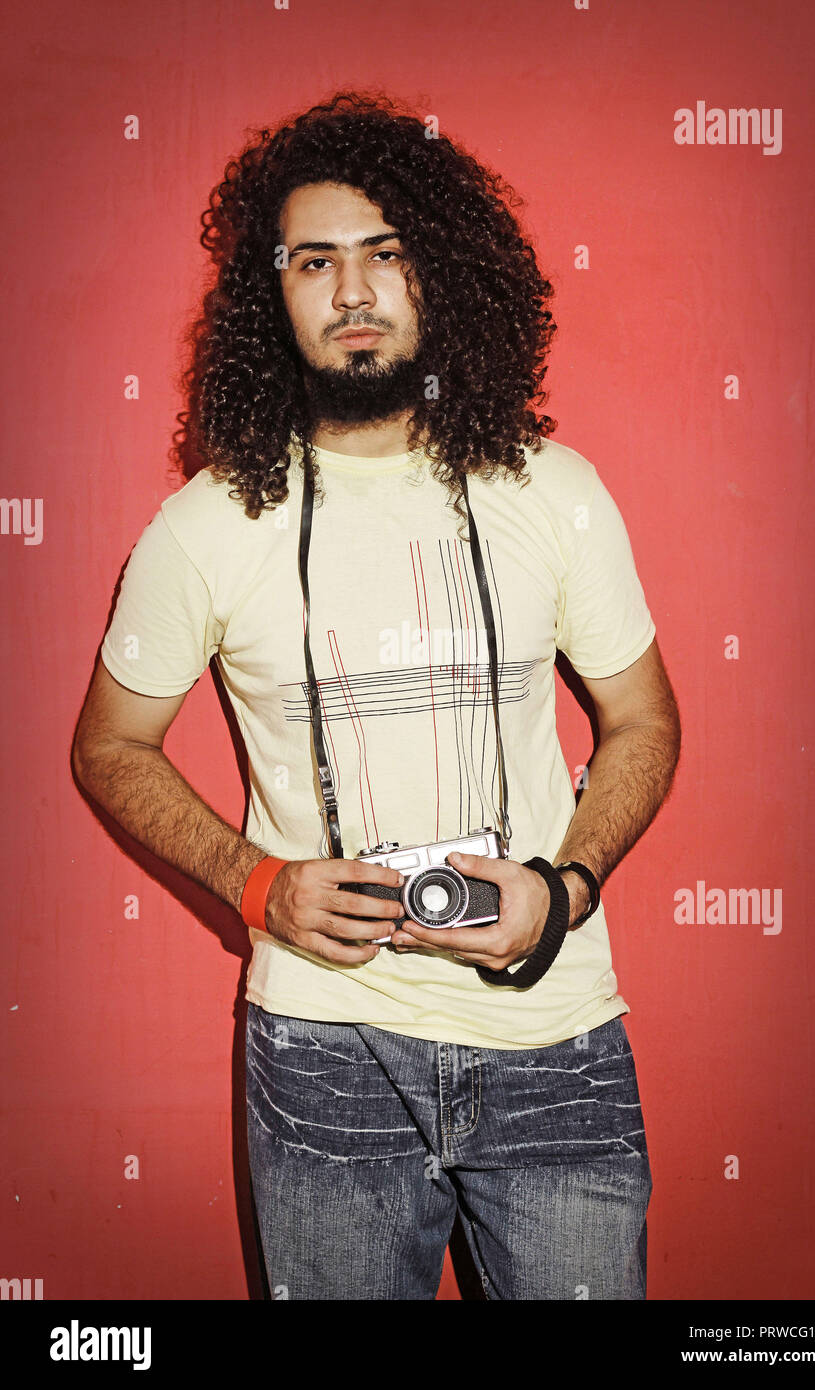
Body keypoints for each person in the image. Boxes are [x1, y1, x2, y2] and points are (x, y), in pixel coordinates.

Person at [73, 91, 681, 1301]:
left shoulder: (554, 491)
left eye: (386, 254)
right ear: (273, 294)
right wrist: (258, 884)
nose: (352, 293)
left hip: (550, 1027)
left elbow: (645, 721)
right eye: (316, 261)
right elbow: (110, 746)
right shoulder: (206, 525)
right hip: (321, 1046)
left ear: (439, 273)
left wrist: (562, 891)